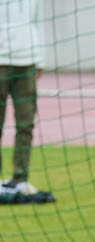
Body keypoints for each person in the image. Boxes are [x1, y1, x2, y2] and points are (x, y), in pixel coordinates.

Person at [0, 0, 45, 197]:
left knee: (26, 124)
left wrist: (40, 59)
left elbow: (39, 22)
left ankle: (20, 178)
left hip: (26, 62)